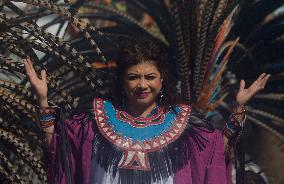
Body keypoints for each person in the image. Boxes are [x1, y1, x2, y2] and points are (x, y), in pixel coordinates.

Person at [24, 37, 270, 184]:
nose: (142, 85)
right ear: (122, 80)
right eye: (133, 77)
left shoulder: (185, 124)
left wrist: (239, 108)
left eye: (150, 77)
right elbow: (60, 152)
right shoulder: (93, 121)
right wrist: (43, 99)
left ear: (162, 80)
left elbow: (216, 153)